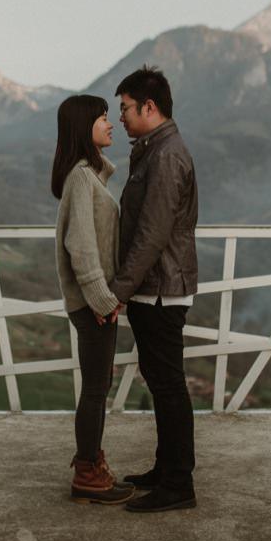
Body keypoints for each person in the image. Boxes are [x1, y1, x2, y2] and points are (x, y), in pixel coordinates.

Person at [108, 66, 199, 513]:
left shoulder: (165, 157)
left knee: (168, 386)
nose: (120, 117)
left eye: (125, 108)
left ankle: (179, 484)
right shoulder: (154, 150)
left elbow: (152, 232)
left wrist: (117, 290)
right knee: (163, 384)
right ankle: (166, 470)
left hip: (160, 289)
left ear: (149, 107)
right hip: (154, 287)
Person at [52, 94, 134, 505]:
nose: (111, 124)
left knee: (97, 387)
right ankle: (88, 472)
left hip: (92, 304)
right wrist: (104, 301)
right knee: (96, 390)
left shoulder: (85, 176)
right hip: (92, 306)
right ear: (85, 127)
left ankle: (92, 465)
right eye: (103, 118)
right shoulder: (82, 178)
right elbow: (82, 249)